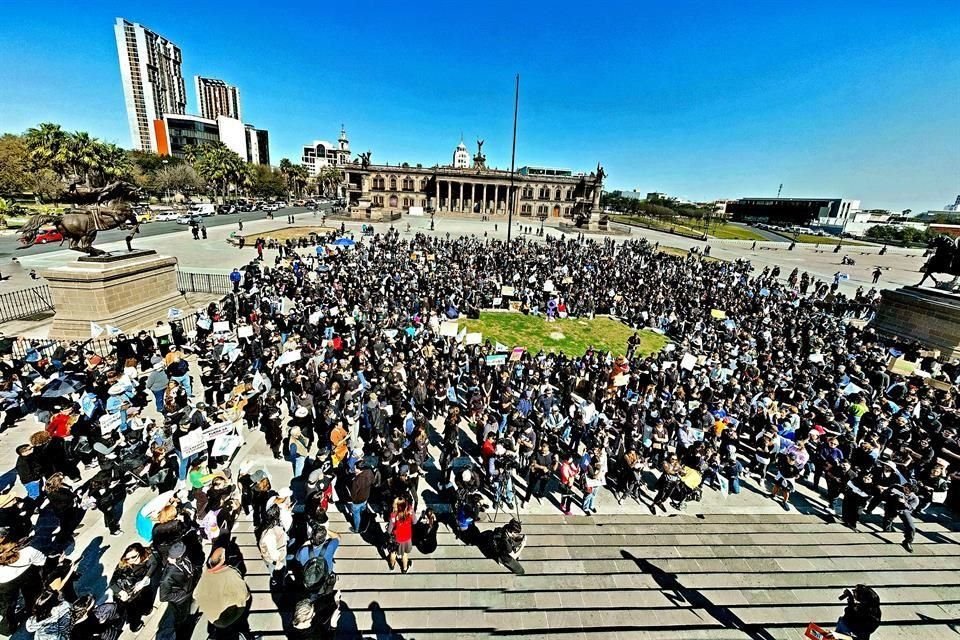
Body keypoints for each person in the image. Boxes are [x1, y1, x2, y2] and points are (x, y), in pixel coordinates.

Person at [108, 543, 158, 633]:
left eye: (134, 557)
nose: (130, 560)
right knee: (133, 612)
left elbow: (154, 564)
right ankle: (135, 626)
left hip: (138, 588)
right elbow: (112, 583)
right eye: (128, 558)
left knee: (146, 600)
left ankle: (146, 611)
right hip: (126, 594)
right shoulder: (124, 564)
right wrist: (120, 592)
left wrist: (144, 579)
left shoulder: (149, 555)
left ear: (141, 552)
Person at [159, 542, 198, 640]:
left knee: (189, 609)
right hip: (181, 600)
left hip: (190, 591)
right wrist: (182, 594)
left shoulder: (183, 559)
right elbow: (164, 597)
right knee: (182, 618)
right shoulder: (167, 577)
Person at [881, 482, 919, 553]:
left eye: (908, 491)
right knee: (888, 519)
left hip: (904, 510)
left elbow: (911, 508)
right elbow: (884, 494)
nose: (905, 491)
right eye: (905, 488)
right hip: (891, 506)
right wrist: (889, 493)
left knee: (911, 527)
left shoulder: (915, 499)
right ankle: (887, 529)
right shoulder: (895, 487)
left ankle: (907, 541)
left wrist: (904, 502)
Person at [387, 496, 414, 573]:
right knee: (404, 554)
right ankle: (405, 569)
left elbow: (389, 530)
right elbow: (414, 521)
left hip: (396, 539)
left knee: (393, 552)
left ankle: (392, 566)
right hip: (407, 538)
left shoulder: (393, 515)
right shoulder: (410, 512)